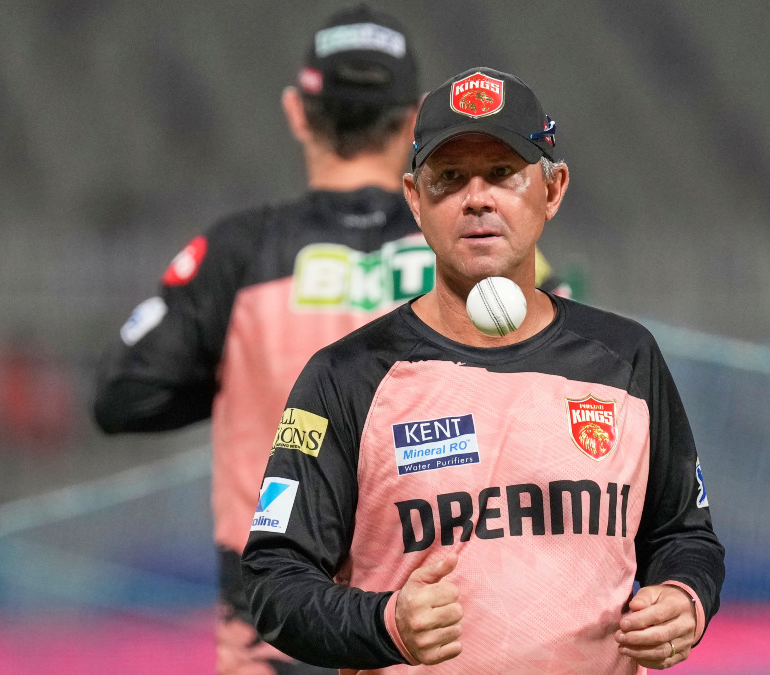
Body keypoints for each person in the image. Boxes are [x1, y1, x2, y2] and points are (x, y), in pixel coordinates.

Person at [241, 67, 724, 673]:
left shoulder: (625, 358)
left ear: (552, 190)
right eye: (449, 178)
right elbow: (273, 579)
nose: (476, 197)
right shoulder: (347, 375)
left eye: (502, 174)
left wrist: (684, 599)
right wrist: (385, 623)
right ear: (415, 200)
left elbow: (683, 536)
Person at [94, 6, 431, 674]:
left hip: (275, 618)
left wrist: (239, 376)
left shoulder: (237, 254)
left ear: (298, 112)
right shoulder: (477, 251)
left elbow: (120, 395)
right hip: (431, 607)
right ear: (418, 119)